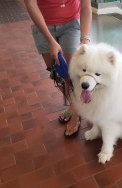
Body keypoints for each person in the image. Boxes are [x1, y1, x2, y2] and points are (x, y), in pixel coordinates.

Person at [24, 0, 92, 137]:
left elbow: (85, 6)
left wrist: (85, 39)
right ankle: (75, 105)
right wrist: (50, 41)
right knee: (56, 73)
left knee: (73, 75)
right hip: (42, 26)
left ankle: (75, 113)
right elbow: (31, 4)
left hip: (71, 24)